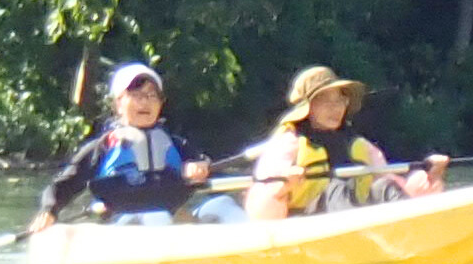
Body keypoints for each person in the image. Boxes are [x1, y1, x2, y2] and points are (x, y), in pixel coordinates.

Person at [27, 62, 225, 233]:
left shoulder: (177, 146)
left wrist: (199, 168)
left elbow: (206, 166)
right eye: (136, 95)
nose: (145, 102)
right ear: (118, 103)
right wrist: (49, 211)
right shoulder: (102, 148)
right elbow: (63, 185)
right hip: (124, 222)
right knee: (157, 216)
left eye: (151, 95)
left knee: (222, 205)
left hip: (171, 219)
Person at [242, 68, 437, 221]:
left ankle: (407, 230)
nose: (335, 108)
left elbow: (391, 181)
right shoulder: (287, 144)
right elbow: (260, 206)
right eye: (325, 101)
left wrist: (429, 178)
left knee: (383, 186)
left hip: (355, 219)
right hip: (303, 224)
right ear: (307, 108)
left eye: (339, 100)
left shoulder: (360, 146)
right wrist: (283, 186)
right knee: (334, 189)